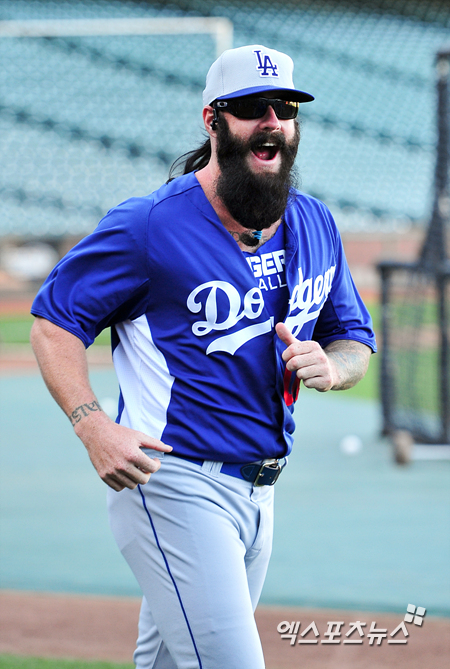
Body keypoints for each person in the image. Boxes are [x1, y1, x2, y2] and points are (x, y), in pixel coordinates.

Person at [30, 44, 376, 669]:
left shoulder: (316, 223)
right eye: (252, 108)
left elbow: (354, 338)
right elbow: (54, 324)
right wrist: (93, 427)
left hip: (261, 489)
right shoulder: (149, 227)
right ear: (213, 120)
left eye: (286, 107)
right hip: (173, 483)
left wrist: (335, 366)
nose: (272, 120)